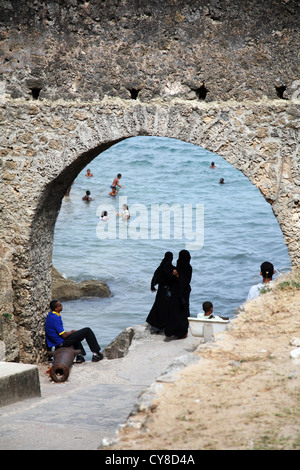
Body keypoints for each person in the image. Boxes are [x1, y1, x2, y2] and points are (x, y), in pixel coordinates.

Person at [165, 250, 192, 339]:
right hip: (179, 292)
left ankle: (182, 332)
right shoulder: (183, 267)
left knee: (180, 312)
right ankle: (178, 331)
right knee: (178, 312)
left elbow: (185, 281)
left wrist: (177, 276)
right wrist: (175, 275)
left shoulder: (186, 268)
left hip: (182, 293)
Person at [146, 252, 175, 333]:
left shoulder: (161, 268)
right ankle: (165, 325)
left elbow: (155, 277)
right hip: (169, 292)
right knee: (167, 307)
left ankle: (156, 324)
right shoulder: (172, 268)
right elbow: (173, 278)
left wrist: (152, 286)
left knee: (158, 306)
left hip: (161, 291)